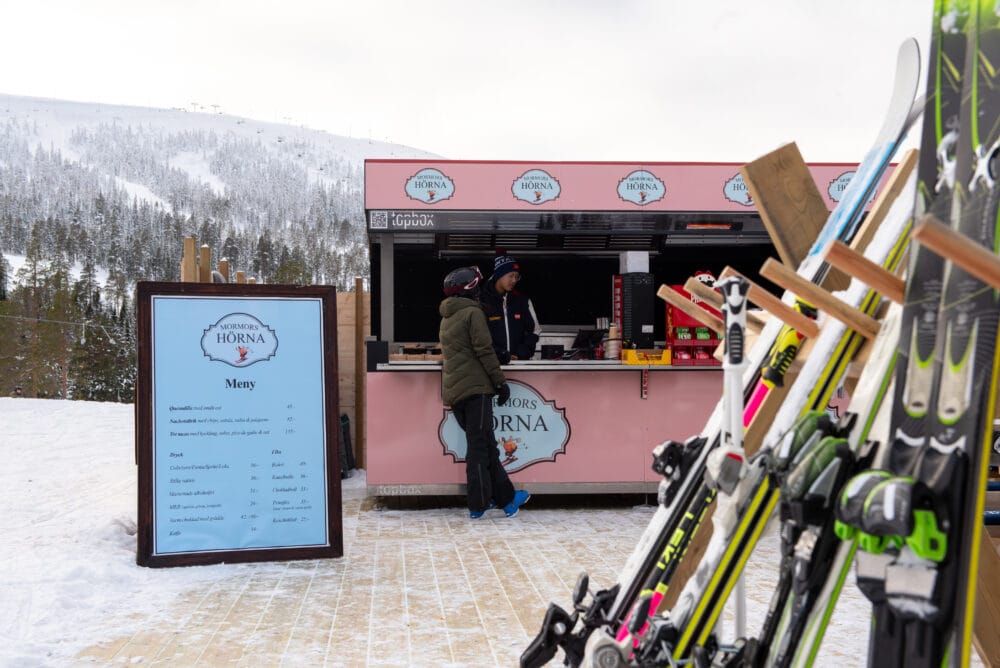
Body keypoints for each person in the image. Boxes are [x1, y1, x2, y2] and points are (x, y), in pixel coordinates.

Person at [439, 266, 531, 519]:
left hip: (457, 392)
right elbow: (483, 350)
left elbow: (464, 350)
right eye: (478, 285)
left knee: (487, 446)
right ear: (472, 289)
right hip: (476, 390)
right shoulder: (472, 313)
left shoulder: (448, 316)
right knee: (479, 450)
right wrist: (500, 382)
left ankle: (508, 499)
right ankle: (478, 504)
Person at [480, 251, 541, 363]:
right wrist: (499, 354)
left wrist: (523, 351)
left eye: (516, 277)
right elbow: (477, 336)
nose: (514, 280)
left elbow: (535, 329)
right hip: (490, 364)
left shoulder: (522, 300)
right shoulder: (481, 300)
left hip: (517, 364)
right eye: (511, 276)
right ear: (499, 275)